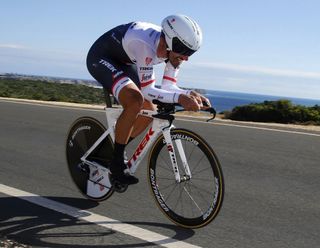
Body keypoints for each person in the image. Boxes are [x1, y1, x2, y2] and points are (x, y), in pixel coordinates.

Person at [86, 14, 211, 186]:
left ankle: (114, 148)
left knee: (149, 110)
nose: (186, 57)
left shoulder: (172, 51)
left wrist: (189, 93)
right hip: (102, 57)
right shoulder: (144, 44)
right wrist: (180, 98)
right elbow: (148, 90)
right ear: (170, 41)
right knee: (135, 101)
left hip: (126, 60)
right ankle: (116, 162)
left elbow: (168, 87)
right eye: (184, 51)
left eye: (190, 53)